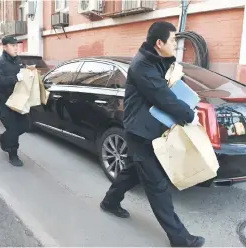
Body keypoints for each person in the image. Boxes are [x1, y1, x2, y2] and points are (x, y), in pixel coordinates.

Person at [99, 21, 204, 247]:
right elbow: (162, 97)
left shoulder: (156, 61)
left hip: (149, 128)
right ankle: (179, 238)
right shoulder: (143, 66)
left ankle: (109, 202)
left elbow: (169, 88)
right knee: (157, 186)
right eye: (173, 40)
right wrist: (188, 114)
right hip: (141, 132)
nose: (176, 45)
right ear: (159, 43)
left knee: (131, 172)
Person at [0, 36, 28, 167]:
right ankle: (13, 154)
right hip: (5, 101)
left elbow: (25, 77)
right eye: (13, 46)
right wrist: (15, 78)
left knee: (25, 126)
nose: (16, 48)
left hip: (19, 100)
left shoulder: (19, 61)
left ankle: (4, 137)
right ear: (5, 47)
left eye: (16, 46)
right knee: (13, 128)